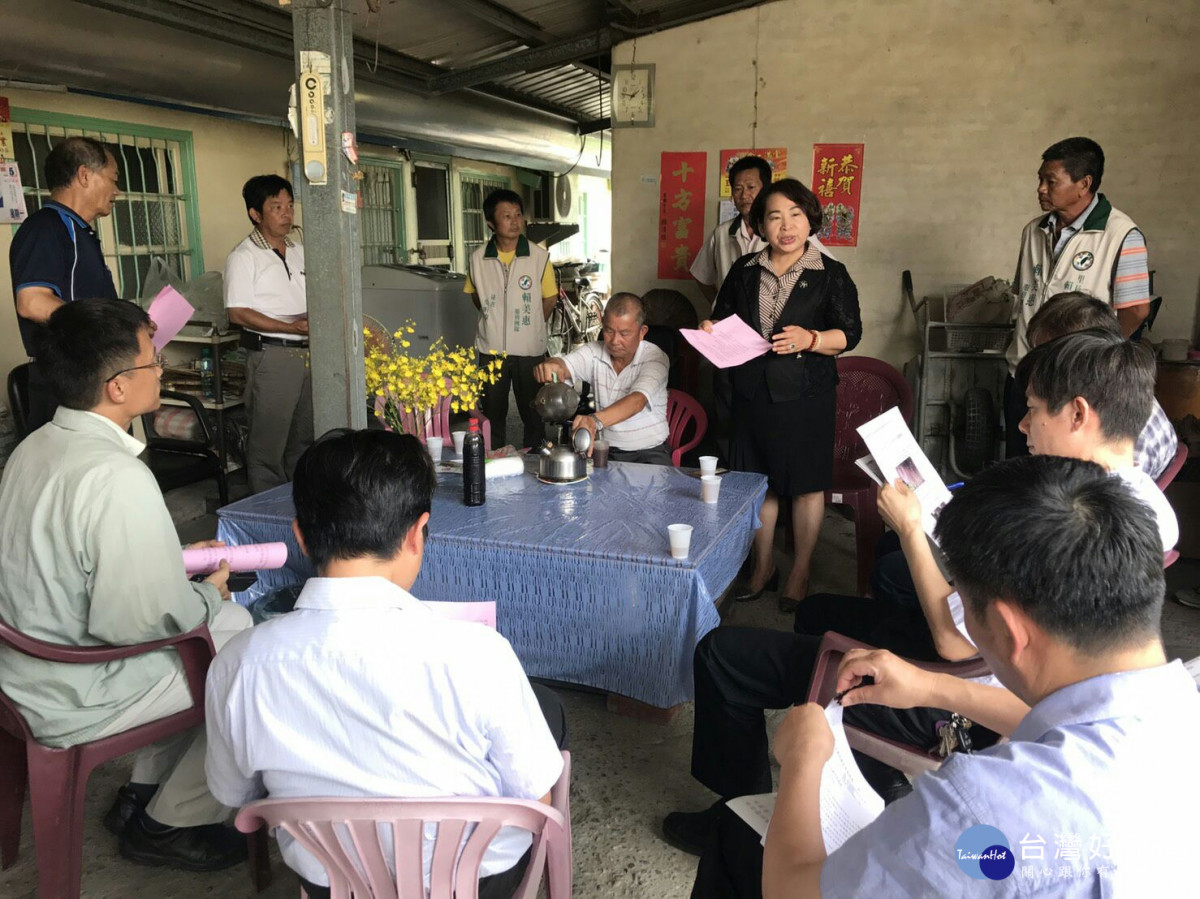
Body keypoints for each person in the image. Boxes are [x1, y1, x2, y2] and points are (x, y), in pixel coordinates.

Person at [664, 328, 1177, 860]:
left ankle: (741, 822)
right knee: (819, 611)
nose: (1023, 426)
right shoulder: (1136, 505)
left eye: (1032, 411)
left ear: (1077, 414)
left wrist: (913, 529)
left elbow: (954, 644)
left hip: (967, 702)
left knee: (722, 654)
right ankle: (872, 774)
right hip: (984, 680)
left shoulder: (1064, 524)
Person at [753, 456, 1200, 897]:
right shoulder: (1182, 700)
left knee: (735, 843)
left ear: (1008, 631)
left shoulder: (982, 809)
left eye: (962, 606)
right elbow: (1074, 724)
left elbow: (793, 892)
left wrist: (802, 760)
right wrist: (930, 685)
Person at [205, 428, 568, 899]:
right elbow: (537, 798)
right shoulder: (479, 653)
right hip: (475, 882)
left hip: (330, 883)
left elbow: (236, 795)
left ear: (301, 538)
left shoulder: (237, 664)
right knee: (548, 714)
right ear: (417, 534)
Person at [0, 298, 252, 871]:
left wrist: (171, 559)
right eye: (153, 359)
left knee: (228, 630)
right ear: (117, 387)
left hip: (20, 664)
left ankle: (142, 792)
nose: (161, 369)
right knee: (250, 661)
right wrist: (208, 592)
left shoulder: (34, 446)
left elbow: (68, 559)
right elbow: (141, 623)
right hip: (71, 688)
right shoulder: (116, 475)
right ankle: (171, 823)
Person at [701, 178, 861, 612]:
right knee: (759, 485)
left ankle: (800, 571)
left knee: (806, 487)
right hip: (752, 392)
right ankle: (763, 565)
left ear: (810, 220)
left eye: (795, 214)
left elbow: (850, 334)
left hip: (807, 395)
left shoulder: (830, 273)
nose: (786, 226)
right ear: (759, 224)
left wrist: (812, 339)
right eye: (774, 217)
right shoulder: (745, 270)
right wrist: (711, 328)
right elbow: (723, 317)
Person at [1004, 137, 1151, 457]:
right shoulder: (1033, 231)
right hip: (1023, 372)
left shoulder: (1121, 235)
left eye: (1051, 181)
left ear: (1084, 184)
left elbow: (1137, 310)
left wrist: (1097, 357)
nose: (1041, 189)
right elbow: (1024, 292)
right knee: (1018, 462)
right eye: (1040, 180)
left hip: (1074, 383)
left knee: (1060, 471)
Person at [9, 136, 120, 432]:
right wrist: (107, 328)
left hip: (92, 373)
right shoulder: (45, 227)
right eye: (113, 179)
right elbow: (32, 301)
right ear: (84, 175)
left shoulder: (80, 231)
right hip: (67, 377)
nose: (117, 191)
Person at [223, 174, 312, 494]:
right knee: (268, 445)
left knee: (303, 438)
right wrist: (290, 327)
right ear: (255, 214)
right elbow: (237, 313)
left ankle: (300, 504)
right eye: (276, 207)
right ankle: (266, 511)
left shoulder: (299, 250)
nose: (287, 214)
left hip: (307, 352)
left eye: (290, 206)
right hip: (273, 355)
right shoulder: (244, 257)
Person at [464, 188, 558, 450]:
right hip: (491, 349)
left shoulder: (538, 257)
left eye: (518, 215)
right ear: (491, 223)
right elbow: (476, 296)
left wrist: (531, 327)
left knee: (534, 411)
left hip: (529, 350)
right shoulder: (478, 258)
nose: (515, 221)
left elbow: (549, 299)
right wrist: (494, 319)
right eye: (507, 216)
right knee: (492, 412)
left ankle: (535, 457)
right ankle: (492, 459)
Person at [532, 293, 671, 464]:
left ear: (642, 332)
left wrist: (594, 421)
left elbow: (637, 401)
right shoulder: (594, 352)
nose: (615, 341)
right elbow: (565, 365)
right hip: (606, 449)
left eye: (624, 333)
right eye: (609, 331)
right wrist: (553, 365)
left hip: (649, 451)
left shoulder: (655, 358)